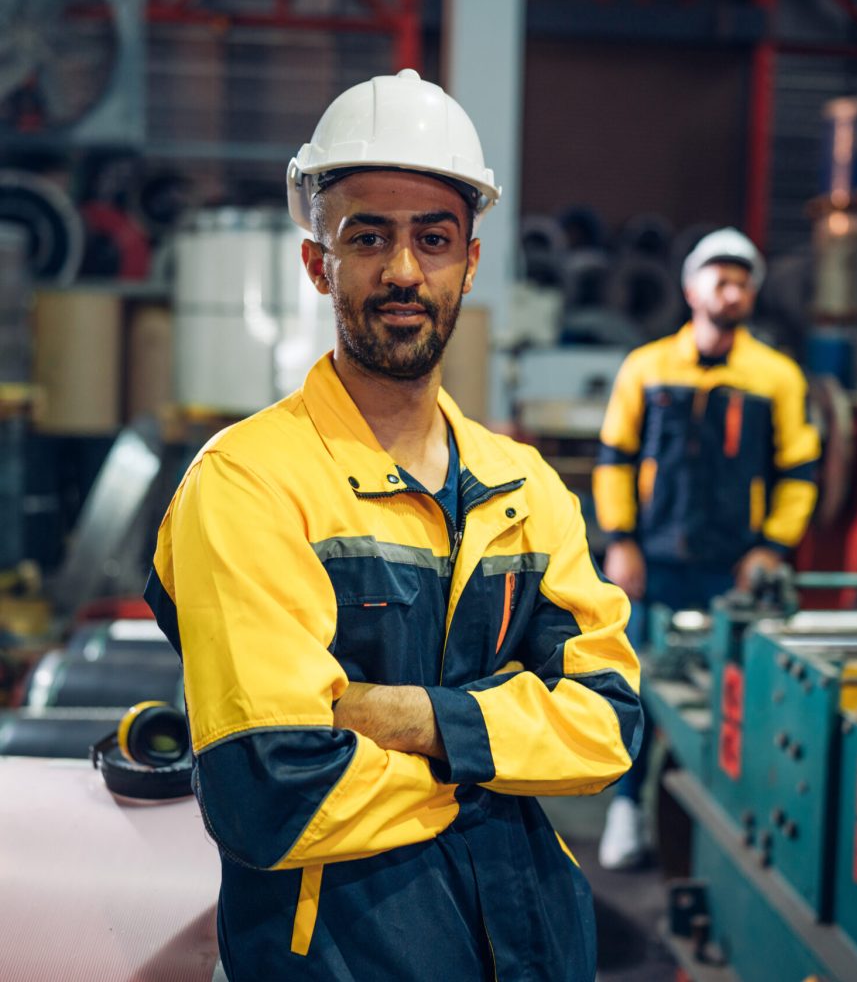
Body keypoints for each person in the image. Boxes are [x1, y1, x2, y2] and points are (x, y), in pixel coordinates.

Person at [144, 69, 642, 981]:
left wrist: (411, 718)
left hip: (534, 951)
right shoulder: (249, 482)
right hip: (343, 958)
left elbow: (609, 726)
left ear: (472, 261)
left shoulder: (524, 486)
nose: (404, 271)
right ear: (316, 262)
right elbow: (272, 788)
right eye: (367, 236)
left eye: (434, 239)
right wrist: (500, 759)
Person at [592, 227, 819, 870]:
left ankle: (725, 826)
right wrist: (623, 542)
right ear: (692, 288)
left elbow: (799, 472)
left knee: (733, 695)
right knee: (635, 691)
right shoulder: (647, 366)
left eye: (743, 281)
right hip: (653, 562)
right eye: (720, 278)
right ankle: (627, 810)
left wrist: (772, 547)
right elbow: (615, 457)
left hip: (733, 566)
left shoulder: (777, 378)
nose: (732, 290)